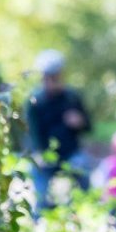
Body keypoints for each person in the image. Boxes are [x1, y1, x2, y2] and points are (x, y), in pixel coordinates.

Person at [23, 49, 93, 214]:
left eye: (55, 76)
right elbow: (33, 134)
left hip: (71, 154)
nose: (52, 80)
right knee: (39, 190)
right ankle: (38, 220)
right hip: (45, 156)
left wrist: (80, 122)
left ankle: (86, 213)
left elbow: (89, 127)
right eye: (48, 76)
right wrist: (40, 154)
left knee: (84, 175)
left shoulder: (72, 97)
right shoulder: (35, 101)